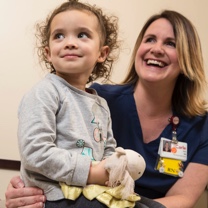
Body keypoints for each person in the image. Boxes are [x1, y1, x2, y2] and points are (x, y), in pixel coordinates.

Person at [5, 9, 208, 208]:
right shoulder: (101, 97)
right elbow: (39, 153)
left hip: (113, 195)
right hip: (86, 194)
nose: (156, 49)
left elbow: (183, 198)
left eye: (170, 43)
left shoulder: (98, 105)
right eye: (150, 39)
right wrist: (22, 188)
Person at [14, 0, 120, 207]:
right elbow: (35, 152)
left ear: (102, 53)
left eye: (82, 35)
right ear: (48, 52)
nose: (69, 42)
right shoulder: (44, 93)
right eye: (59, 36)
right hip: (55, 194)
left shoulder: (101, 104)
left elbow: (108, 148)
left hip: (91, 190)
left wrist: (115, 167)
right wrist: (91, 172)